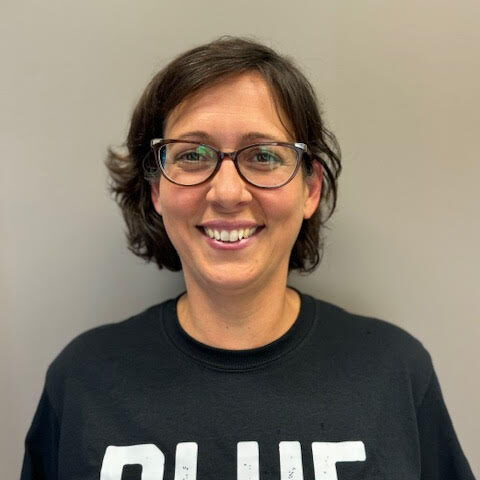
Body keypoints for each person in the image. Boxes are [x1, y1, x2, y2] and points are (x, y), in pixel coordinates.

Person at [20, 36, 475, 480]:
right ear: (157, 189)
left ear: (310, 188)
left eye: (262, 156)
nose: (227, 192)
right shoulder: (83, 379)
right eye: (193, 155)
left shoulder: (393, 371)